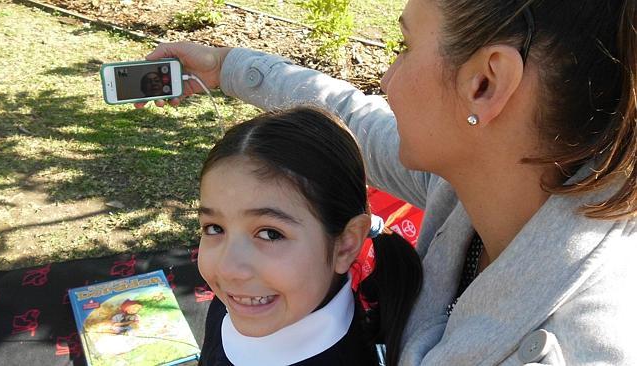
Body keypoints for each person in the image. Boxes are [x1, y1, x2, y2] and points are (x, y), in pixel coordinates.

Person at [137, 0, 637, 364]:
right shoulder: (484, 187)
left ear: (485, 83)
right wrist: (229, 67)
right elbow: (355, 120)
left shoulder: (584, 346)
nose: (386, 79)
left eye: (404, 45)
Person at [196, 106, 422, 366]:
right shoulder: (239, 303)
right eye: (214, 228)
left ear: (346, 245)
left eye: (270, 234)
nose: (227, 269)